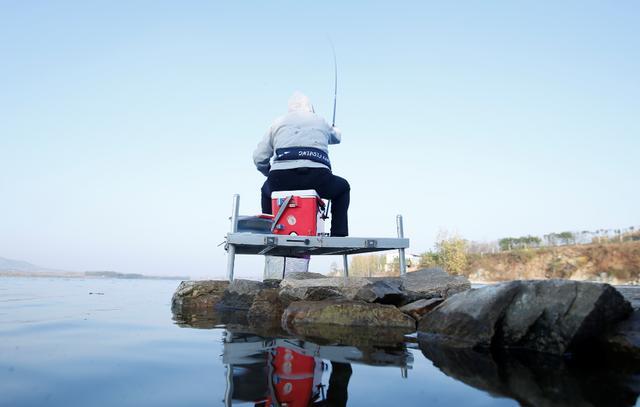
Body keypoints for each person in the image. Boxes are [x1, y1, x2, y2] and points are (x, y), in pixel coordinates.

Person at [253, 91, 350, 237]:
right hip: (318, 178)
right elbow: (337, 138)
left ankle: (269, 232)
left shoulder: (277, 123)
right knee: (343, 188)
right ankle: (339, 234)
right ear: (310, 108)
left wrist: (270, 173)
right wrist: (334, 128)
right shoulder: (320, 121)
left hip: (281, 179)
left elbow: (259, 158)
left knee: (266, 191)